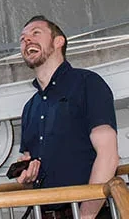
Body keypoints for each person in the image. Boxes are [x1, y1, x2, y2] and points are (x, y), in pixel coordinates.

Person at [17, 15, 119, 219]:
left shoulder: (88, 83)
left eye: (36, 33)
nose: (27, 39)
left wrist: (86, 215)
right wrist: (28, 177)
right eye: (22, 38)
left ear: (58, 41)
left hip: (92, 213)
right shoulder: (29, 108)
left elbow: (108, 156)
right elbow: (31, 179)